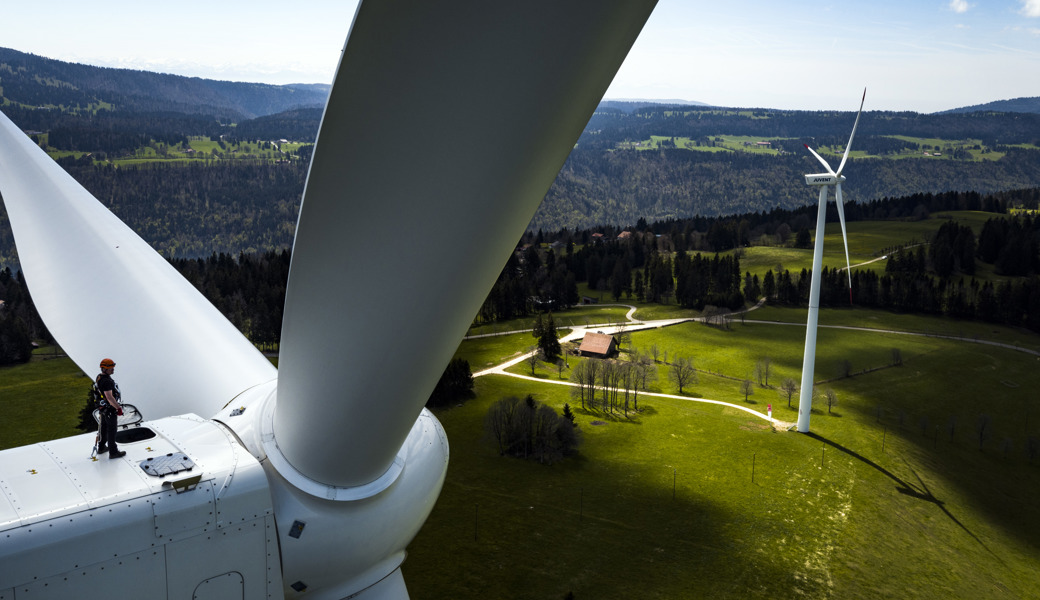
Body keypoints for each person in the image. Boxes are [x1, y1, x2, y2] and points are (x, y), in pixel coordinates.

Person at [95, 358, 126, 459]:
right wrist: (118, 408)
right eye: (111, 368)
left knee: (103, 428)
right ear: (104, 369)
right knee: (111, 430)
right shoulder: (107, 381)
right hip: (109, 409)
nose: (113, 369)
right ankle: (113, 452)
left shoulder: (99, 377)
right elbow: (109, 397)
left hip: (103, 409)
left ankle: (101, 447)